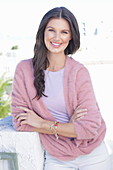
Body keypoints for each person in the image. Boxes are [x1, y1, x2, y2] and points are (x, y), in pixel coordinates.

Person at [11, 7, 111, 170]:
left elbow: (90, 128)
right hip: (57, 157)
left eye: (64, 32)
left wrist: (44, 124)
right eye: (52, 30)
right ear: (43, 32)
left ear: (71, 36)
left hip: (94, 154)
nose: (57, 38)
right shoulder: (24, 70)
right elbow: (20, 122)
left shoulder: (79, 72)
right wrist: (69, 126)